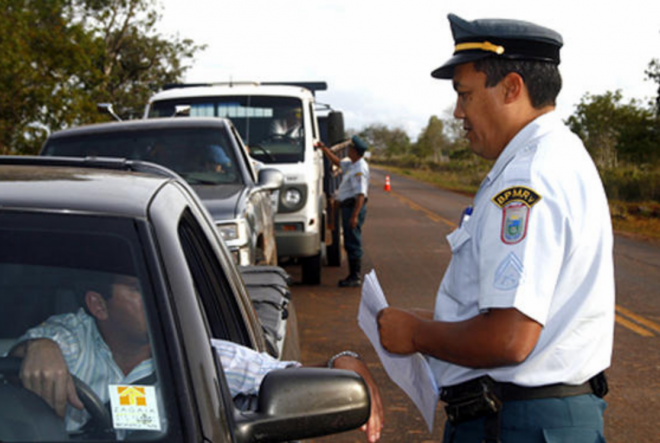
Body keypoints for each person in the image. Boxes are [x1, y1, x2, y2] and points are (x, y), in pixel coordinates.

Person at [377, 14, 614, 443]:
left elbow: (509, 338)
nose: (457, 112)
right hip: (541, 416)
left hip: (517, 424)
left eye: (464, 95)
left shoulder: (527, 178)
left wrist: (415, 333)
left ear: (511, 88)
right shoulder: (561, 153)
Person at [10, 273, 383, 442]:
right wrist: (32, 349)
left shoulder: (194, 355)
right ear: (98, 305)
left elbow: (280, 378)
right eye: (138, 291)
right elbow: (39, 344)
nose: (160, 301)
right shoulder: (70, 341)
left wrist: (342, 361)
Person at [316, 135, 370, 287]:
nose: (348, 150)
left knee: (353, 242)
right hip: (348, 208)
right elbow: (338, 163)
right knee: (349, 240)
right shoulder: (353, 164)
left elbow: (360, 195)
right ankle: (353, 275)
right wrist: (325, 149)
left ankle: (355, 276)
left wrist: (354, 216)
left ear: (355, 151)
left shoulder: (360, 169)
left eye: (350, 148)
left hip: (353, 208)